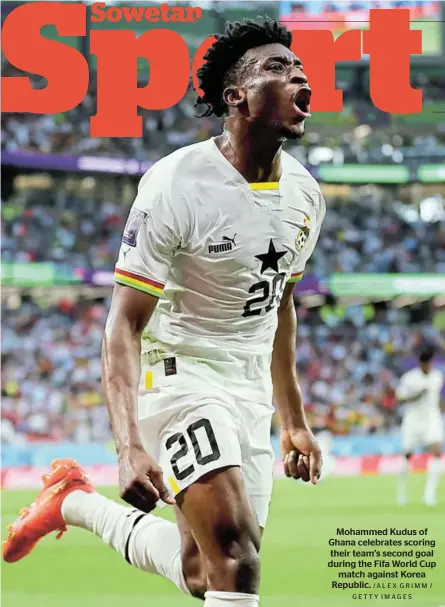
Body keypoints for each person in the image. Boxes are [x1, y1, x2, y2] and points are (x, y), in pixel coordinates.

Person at [4, 18, 325, 607]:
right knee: (237, 558)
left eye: (300, 68)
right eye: (277, 68)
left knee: (205, 573)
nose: (299, 75)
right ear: (237, 97)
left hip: (248, 389)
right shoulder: (176, 183)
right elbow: (122, 323)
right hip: (178, 375)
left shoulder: (307, 196)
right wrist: (128, 443)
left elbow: (279, 307)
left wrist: (295, 420)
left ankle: (72, 502)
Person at [396, 347, 444, 507]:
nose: (428, 367)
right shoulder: (409, 378)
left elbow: (438, 399)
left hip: (432, 418)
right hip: (413, 420)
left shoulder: (437, 377)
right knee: (407, 455)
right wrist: (417, 395)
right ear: (421, 364)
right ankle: (402, 491)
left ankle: (429, 495)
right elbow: (400, 399)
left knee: (437, 452)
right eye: (426, 364)